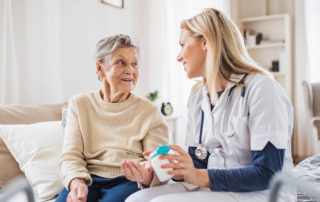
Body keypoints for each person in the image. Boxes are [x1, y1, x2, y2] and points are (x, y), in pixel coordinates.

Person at [125, 8, 295, 202]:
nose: (178, 56)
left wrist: (197, 175)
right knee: (135, 199)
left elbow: (268, 174)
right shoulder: (198, 95)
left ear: (205, 43)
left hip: (261, 193)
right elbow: (198, 162)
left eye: (183, 45)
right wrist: (165, 170)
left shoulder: (263, 89)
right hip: (215, 188)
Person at [56, 34, 168, 202]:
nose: (130, 70)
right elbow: (70, 156)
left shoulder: (149, 112)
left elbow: (158, 163)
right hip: (88, 179)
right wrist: (76, 182)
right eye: (121, 62)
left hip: (128, 181)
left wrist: (146, 176)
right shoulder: (79, 104)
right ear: (100, 68)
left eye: (134, 64)